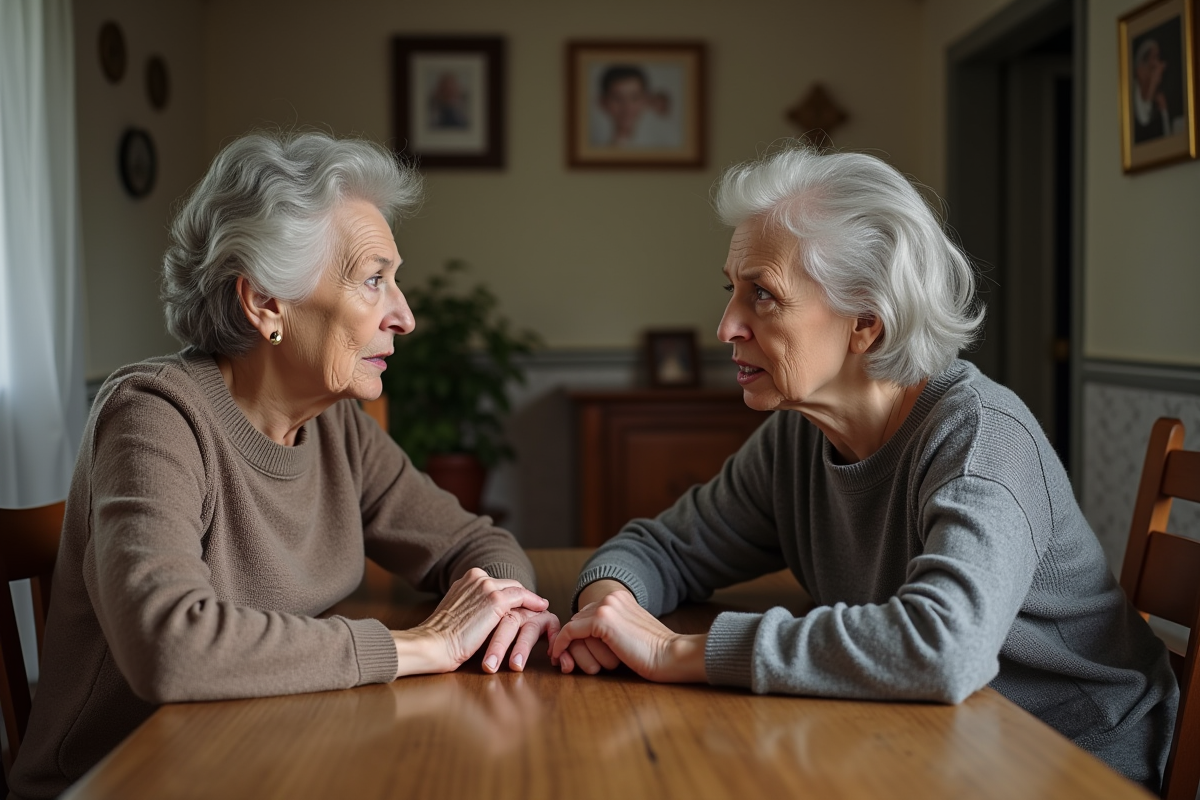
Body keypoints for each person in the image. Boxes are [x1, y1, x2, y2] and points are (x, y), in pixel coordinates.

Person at [551, 145, 1179, 791]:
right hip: (933, 740)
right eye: (730, 289)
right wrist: (609, 611)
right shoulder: (796, 439)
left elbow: (943, 649)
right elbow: (665, 547)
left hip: (1073, 761)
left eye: (762, 295)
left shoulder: (982, 438)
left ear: (866, 326)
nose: (725, 325)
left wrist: (669, 651)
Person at [8, 131, 557, 800]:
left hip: (272, 753)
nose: (405, 316)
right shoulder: (154, 416)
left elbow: (480, 545)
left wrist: (504, 612)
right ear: (266, 301)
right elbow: (170, 646)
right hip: (124, 780)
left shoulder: (337, 427)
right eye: (374, 280)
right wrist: (423, 646)